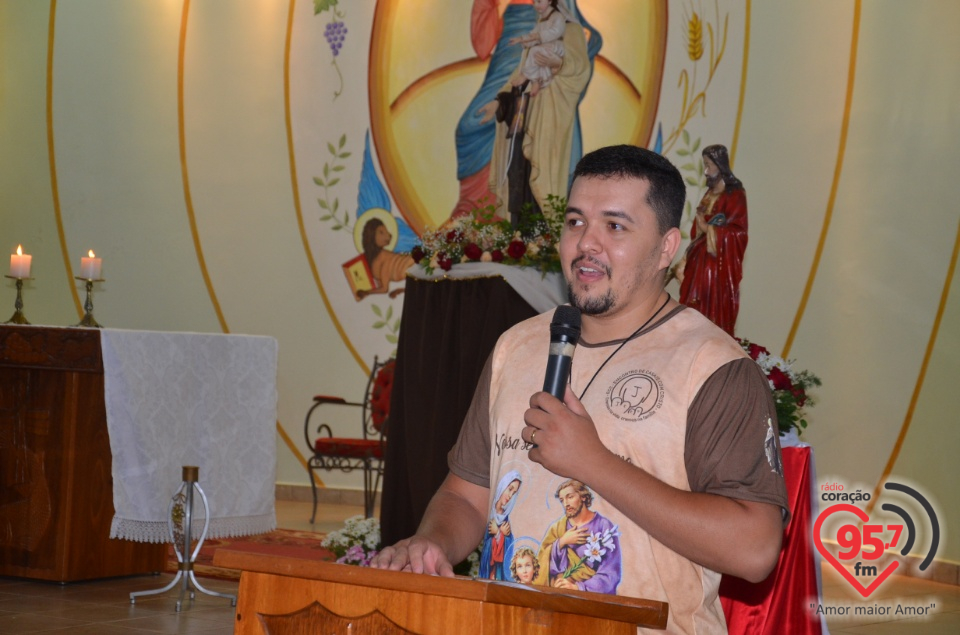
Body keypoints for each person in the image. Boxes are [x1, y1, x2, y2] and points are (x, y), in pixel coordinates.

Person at [373, 145, 787, 634]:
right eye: (574, 222)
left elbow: (755, 549)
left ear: (667, 248)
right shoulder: (517, 346)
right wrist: (434, 542)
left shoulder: (712, 368)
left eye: (614, 226)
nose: (585, 244)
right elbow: (466, 495)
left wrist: (593, 463)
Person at [451, 0, 601, 220]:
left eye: (540, 1)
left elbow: (578, 71)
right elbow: (518, 76)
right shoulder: (537, 31)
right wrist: (499, 102)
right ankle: (512, 231)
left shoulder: (571, 29)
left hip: (548, 120)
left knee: (541, 178)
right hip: (524, 117)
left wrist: (557, 65)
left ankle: (542, 238)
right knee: (519, 175)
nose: (536, 6)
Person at [675, 144, 748, 337]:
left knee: (709, 303)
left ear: (719, 165)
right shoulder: (708, 195)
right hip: (699, 257)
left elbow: (739, 233)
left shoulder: (735, 196)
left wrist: (709, 229)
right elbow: (697, 229)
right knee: (689, 299)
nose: (706, 171)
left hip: (717, 265)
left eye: (709, 165)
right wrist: (699, 225)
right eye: (704, 166)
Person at [534, 479, 621, 593]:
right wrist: (561, 542)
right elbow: (540, 566)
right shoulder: (557, 528)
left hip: (590, 598)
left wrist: (578, 587)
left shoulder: (603, 526)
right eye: (562, 500)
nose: (566, 503)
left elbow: (611, 573)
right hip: (558, 594)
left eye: (570, 497)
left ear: (583, 497)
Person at [508, 0, 566, 97]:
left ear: (549, 1)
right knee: (537, 55)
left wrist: (537, 36)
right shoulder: (542, 20)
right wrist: (521, 40)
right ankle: (537, 81)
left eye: (539, 1)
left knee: (535, 51)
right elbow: (533, 36)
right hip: (546, 47)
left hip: (556, 46)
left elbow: (554, 33)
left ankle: (525, 75)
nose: (536, 5)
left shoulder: (557, 16)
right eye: (534, 2)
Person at [356, 217, 414, 299]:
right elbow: (382, 287)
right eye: (381, 232)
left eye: (386, 231)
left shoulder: (384, 257)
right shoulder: (375, 261)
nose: (389, 235)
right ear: (371, 235)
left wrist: (367, 292)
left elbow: (384, 288)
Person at [479, 471, 522, 580]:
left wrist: (498, 534)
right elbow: (486, 541)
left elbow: (509, 547)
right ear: (503, 485)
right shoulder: (488, 510)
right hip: (488, 569)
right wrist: (498, 535)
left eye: (514, 492)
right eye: (510, 489)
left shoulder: (505, 518)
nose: (510, 495)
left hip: (498, 572)